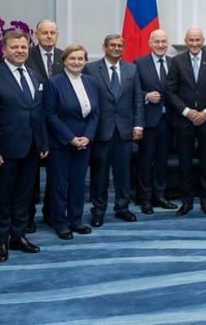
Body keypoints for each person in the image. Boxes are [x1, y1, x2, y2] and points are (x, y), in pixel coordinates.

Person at [0, 30, 48, 263]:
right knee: (2, 196)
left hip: (31, 146)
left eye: (23, 47)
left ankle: (17, 236)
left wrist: (43, 142)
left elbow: (38, 112)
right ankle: (0, 240)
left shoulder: (33, 75)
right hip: (4, 149)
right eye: (15, 47)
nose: (20, 51)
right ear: (4, 50)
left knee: (24, 196)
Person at [84, 34, 143, 227]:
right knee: (99, 174)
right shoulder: (91, 69)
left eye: (119, 45)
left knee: (123, 173)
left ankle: (122, 208)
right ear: (104, 47)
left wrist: (138, 124)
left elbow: (137, 100)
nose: (116, 48)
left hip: (125, 131)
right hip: (101, 131)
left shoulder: (132, 69)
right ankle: (98, 210)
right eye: (112, 45)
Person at [44, 44, 98, 240]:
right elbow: (50, 115)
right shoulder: (54, 83)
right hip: (62, 143)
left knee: (78, 183)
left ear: (85, 61)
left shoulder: (91, 82)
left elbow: (95, 113)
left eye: (80, 59)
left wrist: (88, 136)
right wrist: (71, 138)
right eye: (72, 59)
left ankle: (76, 220)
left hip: (84, 142)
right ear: (64, 61)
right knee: (59, 184)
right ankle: (60, 222)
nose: (76, 62)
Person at [166, 27, 206, 216]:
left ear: (203, 40)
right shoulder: (176, 61)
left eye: (198, 40)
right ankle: (186, 201)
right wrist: (187, 112)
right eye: (191, 40)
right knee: (185, 163)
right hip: (183, 121)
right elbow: (170, 91)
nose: (195, 43)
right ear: (186, 41)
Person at [25, 19, 64, 233]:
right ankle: (28, 217)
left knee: (56, 175)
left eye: (53, 33)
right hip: (33, 125)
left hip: (57, 126)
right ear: (37, 34)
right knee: (30, 176)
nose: (49, 36)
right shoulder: (25, 55)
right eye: (45, 33)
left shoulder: (64, 57)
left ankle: (51, 213)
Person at [134, 29, 178, 215]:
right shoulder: (139, 63)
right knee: (145, 161)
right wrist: (146, 96)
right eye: (157, 42)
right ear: (150, 43)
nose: (161, 45)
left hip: (169, 121)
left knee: (162, 161)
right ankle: (145, 199)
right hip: (149, 121)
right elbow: (133, 91)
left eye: (163, 42)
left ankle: (160, 195)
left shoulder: (173, 63)